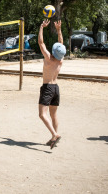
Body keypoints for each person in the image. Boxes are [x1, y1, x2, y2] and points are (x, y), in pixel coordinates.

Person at [37, 19, 66, 149]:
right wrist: (59, 30)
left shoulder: (49, 58)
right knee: (53, 115)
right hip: (56, 88)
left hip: (48, 87)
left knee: (42, 114)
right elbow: (61, 44)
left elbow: (41, 42)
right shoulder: (60, 61)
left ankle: (54, 134)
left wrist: (42, 27)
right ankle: (53, 137)